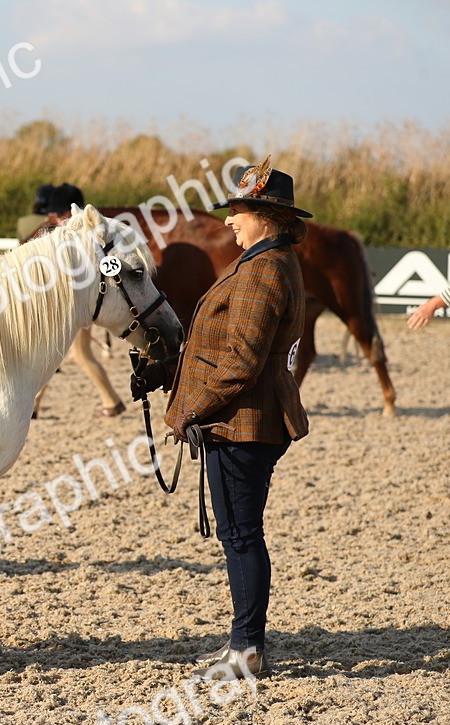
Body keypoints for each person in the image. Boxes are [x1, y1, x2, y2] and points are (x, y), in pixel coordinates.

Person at [149, 157, 311, 681]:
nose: (230, 221)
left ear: (267, 216)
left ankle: (247, 648)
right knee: (241, 532)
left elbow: (240, 363)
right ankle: (246, 643)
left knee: (241, 535)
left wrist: (187, 411)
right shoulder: (268, 261)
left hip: (244, 423)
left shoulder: (263, 272)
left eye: (238, 211)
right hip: (243, 419)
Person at [20, 182, 127, 418]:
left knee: (80, 355)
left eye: (58, 214)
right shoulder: (65, 236)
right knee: (54, 354)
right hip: (67, 309)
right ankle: (35, 405)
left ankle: (111, 400)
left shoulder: (79, 241)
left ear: (69, 213)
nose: (53, 217)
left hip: (76, 308)